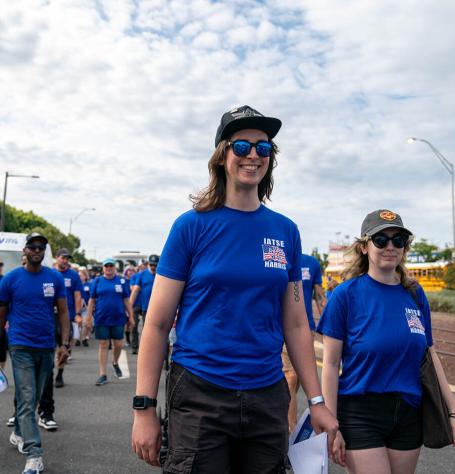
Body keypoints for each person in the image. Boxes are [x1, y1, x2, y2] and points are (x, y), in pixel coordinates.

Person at [132, 105, 338, 472]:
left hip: (266, 394)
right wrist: (144, 408)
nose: (253, 155)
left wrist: (318, 400)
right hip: (200, 393)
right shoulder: (190, 227)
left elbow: (295, 324)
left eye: (264, 148)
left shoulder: (285, 231)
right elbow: (159, 323)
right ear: (222, 155)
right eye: (241, 146)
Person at [317, 209, 455, 473]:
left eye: (398, 241)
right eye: (381, 240)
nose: (390, 246)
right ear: (364, 247)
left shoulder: (415, 294)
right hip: (360, 412)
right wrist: (331, 424)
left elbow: (430, 355)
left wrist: (453, 411)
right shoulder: (345, 296)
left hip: (409, 413)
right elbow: (330, 365)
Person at [0, 233, 70, 474]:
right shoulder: (10, 279)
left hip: (45, 346)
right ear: (25, 250)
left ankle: (19, 431)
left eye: (41, 247)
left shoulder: (54, 278)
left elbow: (62, 313)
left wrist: (65, 344)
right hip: (20, 346)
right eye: (33, 246)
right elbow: (1, 316)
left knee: (32, 395)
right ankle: (34, 454)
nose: (37, 250)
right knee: (28, 397)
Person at [282, 252, 324, 433]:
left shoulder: (312, 263)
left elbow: (320, 296)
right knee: (291, 377)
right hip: (283, 325)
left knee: (298, 378)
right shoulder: (279, 259)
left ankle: (287, 419)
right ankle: (290, 431)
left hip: (307, 327)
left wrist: (326, 325)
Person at [86, 258, 134, 385]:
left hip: (118, 318)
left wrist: (131, 316)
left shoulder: (121, 281)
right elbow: (92, 300)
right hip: (102, 318)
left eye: (111, 266)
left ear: (115, 267)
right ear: (103, 268)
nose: (108, 268)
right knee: (103, 345)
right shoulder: (97, 281)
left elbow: (126, 300)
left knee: (118, 344)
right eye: (106, 266)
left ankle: (115, 362)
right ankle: (103, 374)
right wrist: (89, 318)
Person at [53, 248, 83, 387]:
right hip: (49, 316)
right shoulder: (49, 273)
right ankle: (47, 370)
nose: (65, 261)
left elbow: (77, 295)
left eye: (67, 258)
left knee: (64, 347)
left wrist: (77, 314)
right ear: (56, 258)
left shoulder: (73, 275)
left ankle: (59, 373)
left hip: (67, 316)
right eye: (63, 258)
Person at [130, 254, 159, 355]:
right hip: (145, 306)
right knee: (138, 327)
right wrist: (129, 306)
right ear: (148, 264)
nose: (153, 267)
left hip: (157, 308)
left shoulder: (161, 275)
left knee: (152, 331)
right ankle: (136, 346)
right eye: (151, 265)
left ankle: (151, 349)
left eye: (155, 265)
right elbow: (135, 290)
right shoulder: (142, 275)